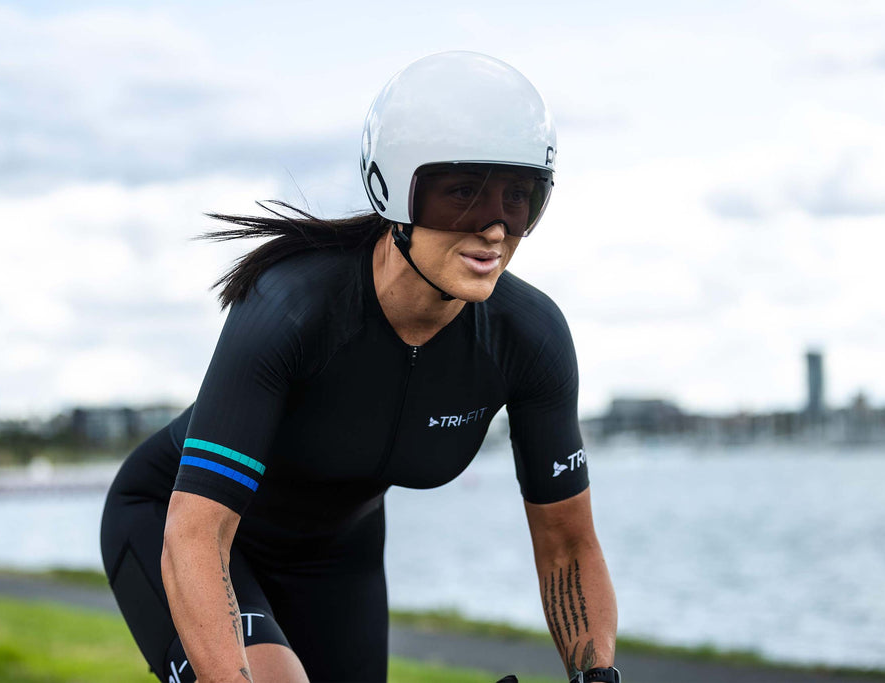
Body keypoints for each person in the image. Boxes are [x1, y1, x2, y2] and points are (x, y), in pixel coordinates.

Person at [100, 50, 620, 683]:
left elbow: (567, 546)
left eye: (519, 199)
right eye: (463, 194)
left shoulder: (529, 337)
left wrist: (597, 678)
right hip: (182, 526)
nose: (494, 229)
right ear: (393, 191)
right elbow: (198, 534)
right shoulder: (292, 309)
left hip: (337, 560)